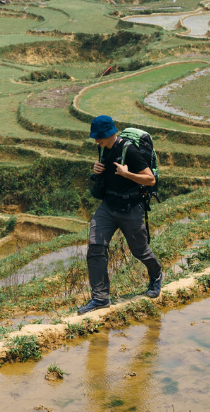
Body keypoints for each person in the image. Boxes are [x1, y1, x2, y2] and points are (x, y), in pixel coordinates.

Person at [78, 116, 163, 314]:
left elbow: (150, 179)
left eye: (98, 137)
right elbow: (106, 172)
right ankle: (100, 298)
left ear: (109, 134)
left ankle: (156, 274)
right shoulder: (102, 148)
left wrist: (127, 174)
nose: (95, 141)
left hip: (130, 207)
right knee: (95, 247)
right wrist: (97, 169)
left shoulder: (130, 151)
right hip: (108, 205)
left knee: (139, 250)